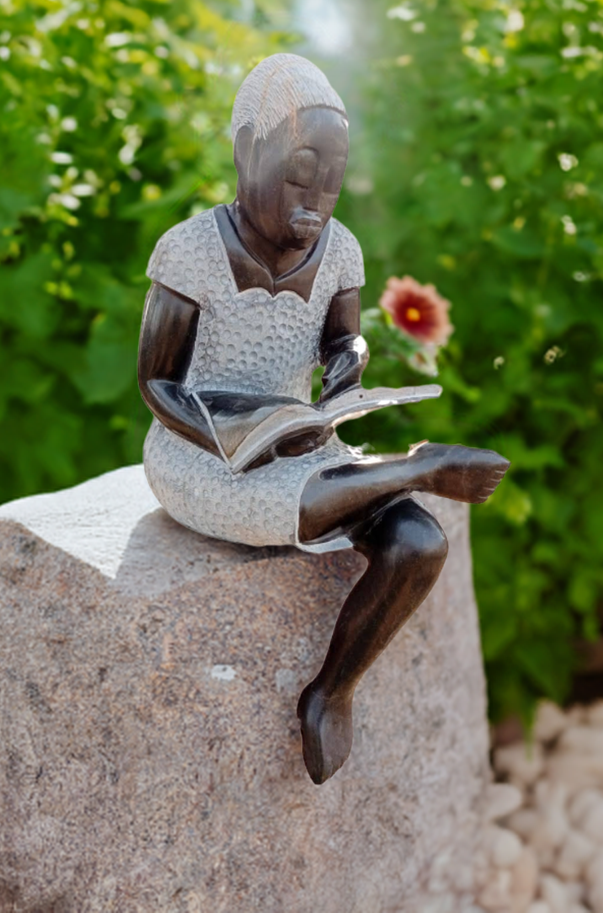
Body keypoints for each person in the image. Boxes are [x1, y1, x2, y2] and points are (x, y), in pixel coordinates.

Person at [138, 54, 508, 784]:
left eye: (332, 177)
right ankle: (419, 466)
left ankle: (330, 691)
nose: (316, 195)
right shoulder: (190, 251)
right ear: (248, 152)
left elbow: (345, 338)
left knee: (417, 542)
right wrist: (232, 430)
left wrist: (349, 364)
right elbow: (156, 381)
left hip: (304, 440)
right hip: (203, 455)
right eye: (298, 170)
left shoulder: (339, 251)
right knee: (312, 498)